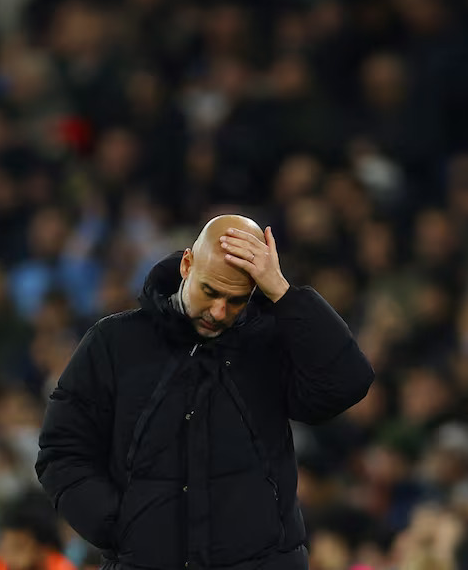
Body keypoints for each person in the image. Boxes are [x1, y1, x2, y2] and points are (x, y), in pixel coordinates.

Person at [35, 215, 375, 570]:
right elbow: (63, 450)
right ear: (186, 264)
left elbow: (348, 382)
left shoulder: (270, 341)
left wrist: (284, 294)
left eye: (236, 300)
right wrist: (121, 528)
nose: (218, 311)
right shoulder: (115, 342)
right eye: (210, 291)